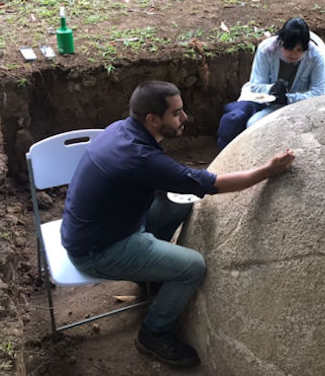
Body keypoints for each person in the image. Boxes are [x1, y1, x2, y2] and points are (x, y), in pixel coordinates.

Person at [60, 81, 295, 367]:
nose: (185, 118)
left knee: (177, 204)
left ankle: (150, 275)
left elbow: (160, 181)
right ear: (152, 119)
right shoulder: (143, 158)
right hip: (98, 249)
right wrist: (268, 171)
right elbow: (213, 185)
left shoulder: (121, 131)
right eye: (177, 113)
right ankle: (153, 332)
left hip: (100, 226)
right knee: (192, 266)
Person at [217, 17, 325, 148]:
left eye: (299, 50)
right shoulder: (266, 50)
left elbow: (320, 94)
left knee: (254, 125)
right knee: (236, 120)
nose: (293, 54)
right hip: (262, 101)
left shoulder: (316, 57)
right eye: (289, 48)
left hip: (298, 106)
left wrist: (288, 99)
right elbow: (255, 85)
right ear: (281, 42)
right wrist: (272, 90)